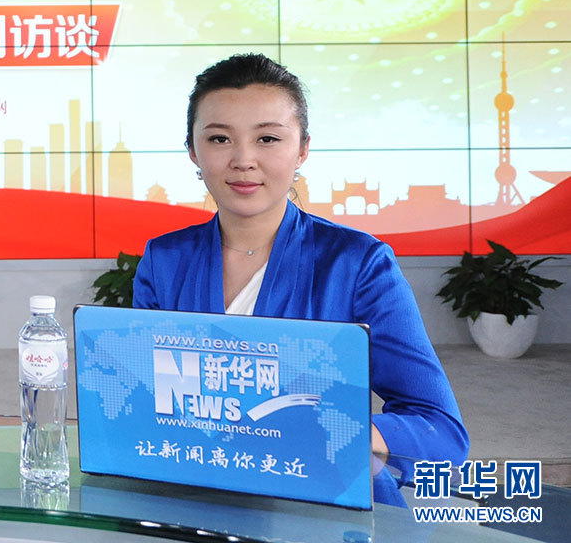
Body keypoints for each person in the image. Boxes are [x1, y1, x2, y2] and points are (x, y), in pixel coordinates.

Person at [133, 53, 469, 501]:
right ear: (193, 150)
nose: (243, 160)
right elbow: (145, 404)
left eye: (268, 138)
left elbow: (441, 430)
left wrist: (334, 431)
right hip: (195, 499)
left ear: (302, 149)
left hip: (324, 507)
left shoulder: (357, 264)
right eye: (219, 138)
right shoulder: (164, 260)